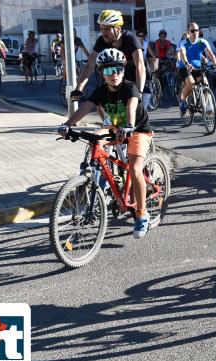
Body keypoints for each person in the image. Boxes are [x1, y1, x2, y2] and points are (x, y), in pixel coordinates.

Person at [59, 48, 153, 239]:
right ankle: (98, 176)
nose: (114, 74)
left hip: (137, 129)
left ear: (123, 70)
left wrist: (129, 125)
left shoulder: (129, 87)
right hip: (116, 127)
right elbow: (86, 107)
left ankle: (142, 215)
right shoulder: (101, 91)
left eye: (118, 69)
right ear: (101, 73)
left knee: (134, 169)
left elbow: (131, 106)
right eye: (108, 71)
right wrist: (67, 125)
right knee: (94, 137)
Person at [71, 9, 146, 101]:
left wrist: (139, 92)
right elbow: (90, 65)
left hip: (140, 81)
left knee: (134, 111)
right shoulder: (102, 40)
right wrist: (79, 88)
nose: (103, 33)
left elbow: (140, 67)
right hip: (118, 80)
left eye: (107, 29)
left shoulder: (130, 39)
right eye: (101, 29)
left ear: (118, 29)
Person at [177, 22, 216, 115]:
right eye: (192, 31)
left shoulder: (202, 42)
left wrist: (215, 62)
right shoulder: (184, 43)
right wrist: (187, 63)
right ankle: (183, 100)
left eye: (197, 30)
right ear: (188, 32)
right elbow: (183, 54)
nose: (195, 32)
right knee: (191, 83)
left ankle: (208, 105)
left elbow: (209, 52)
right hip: (185, 67)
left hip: (198, 67)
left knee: (206, 84)